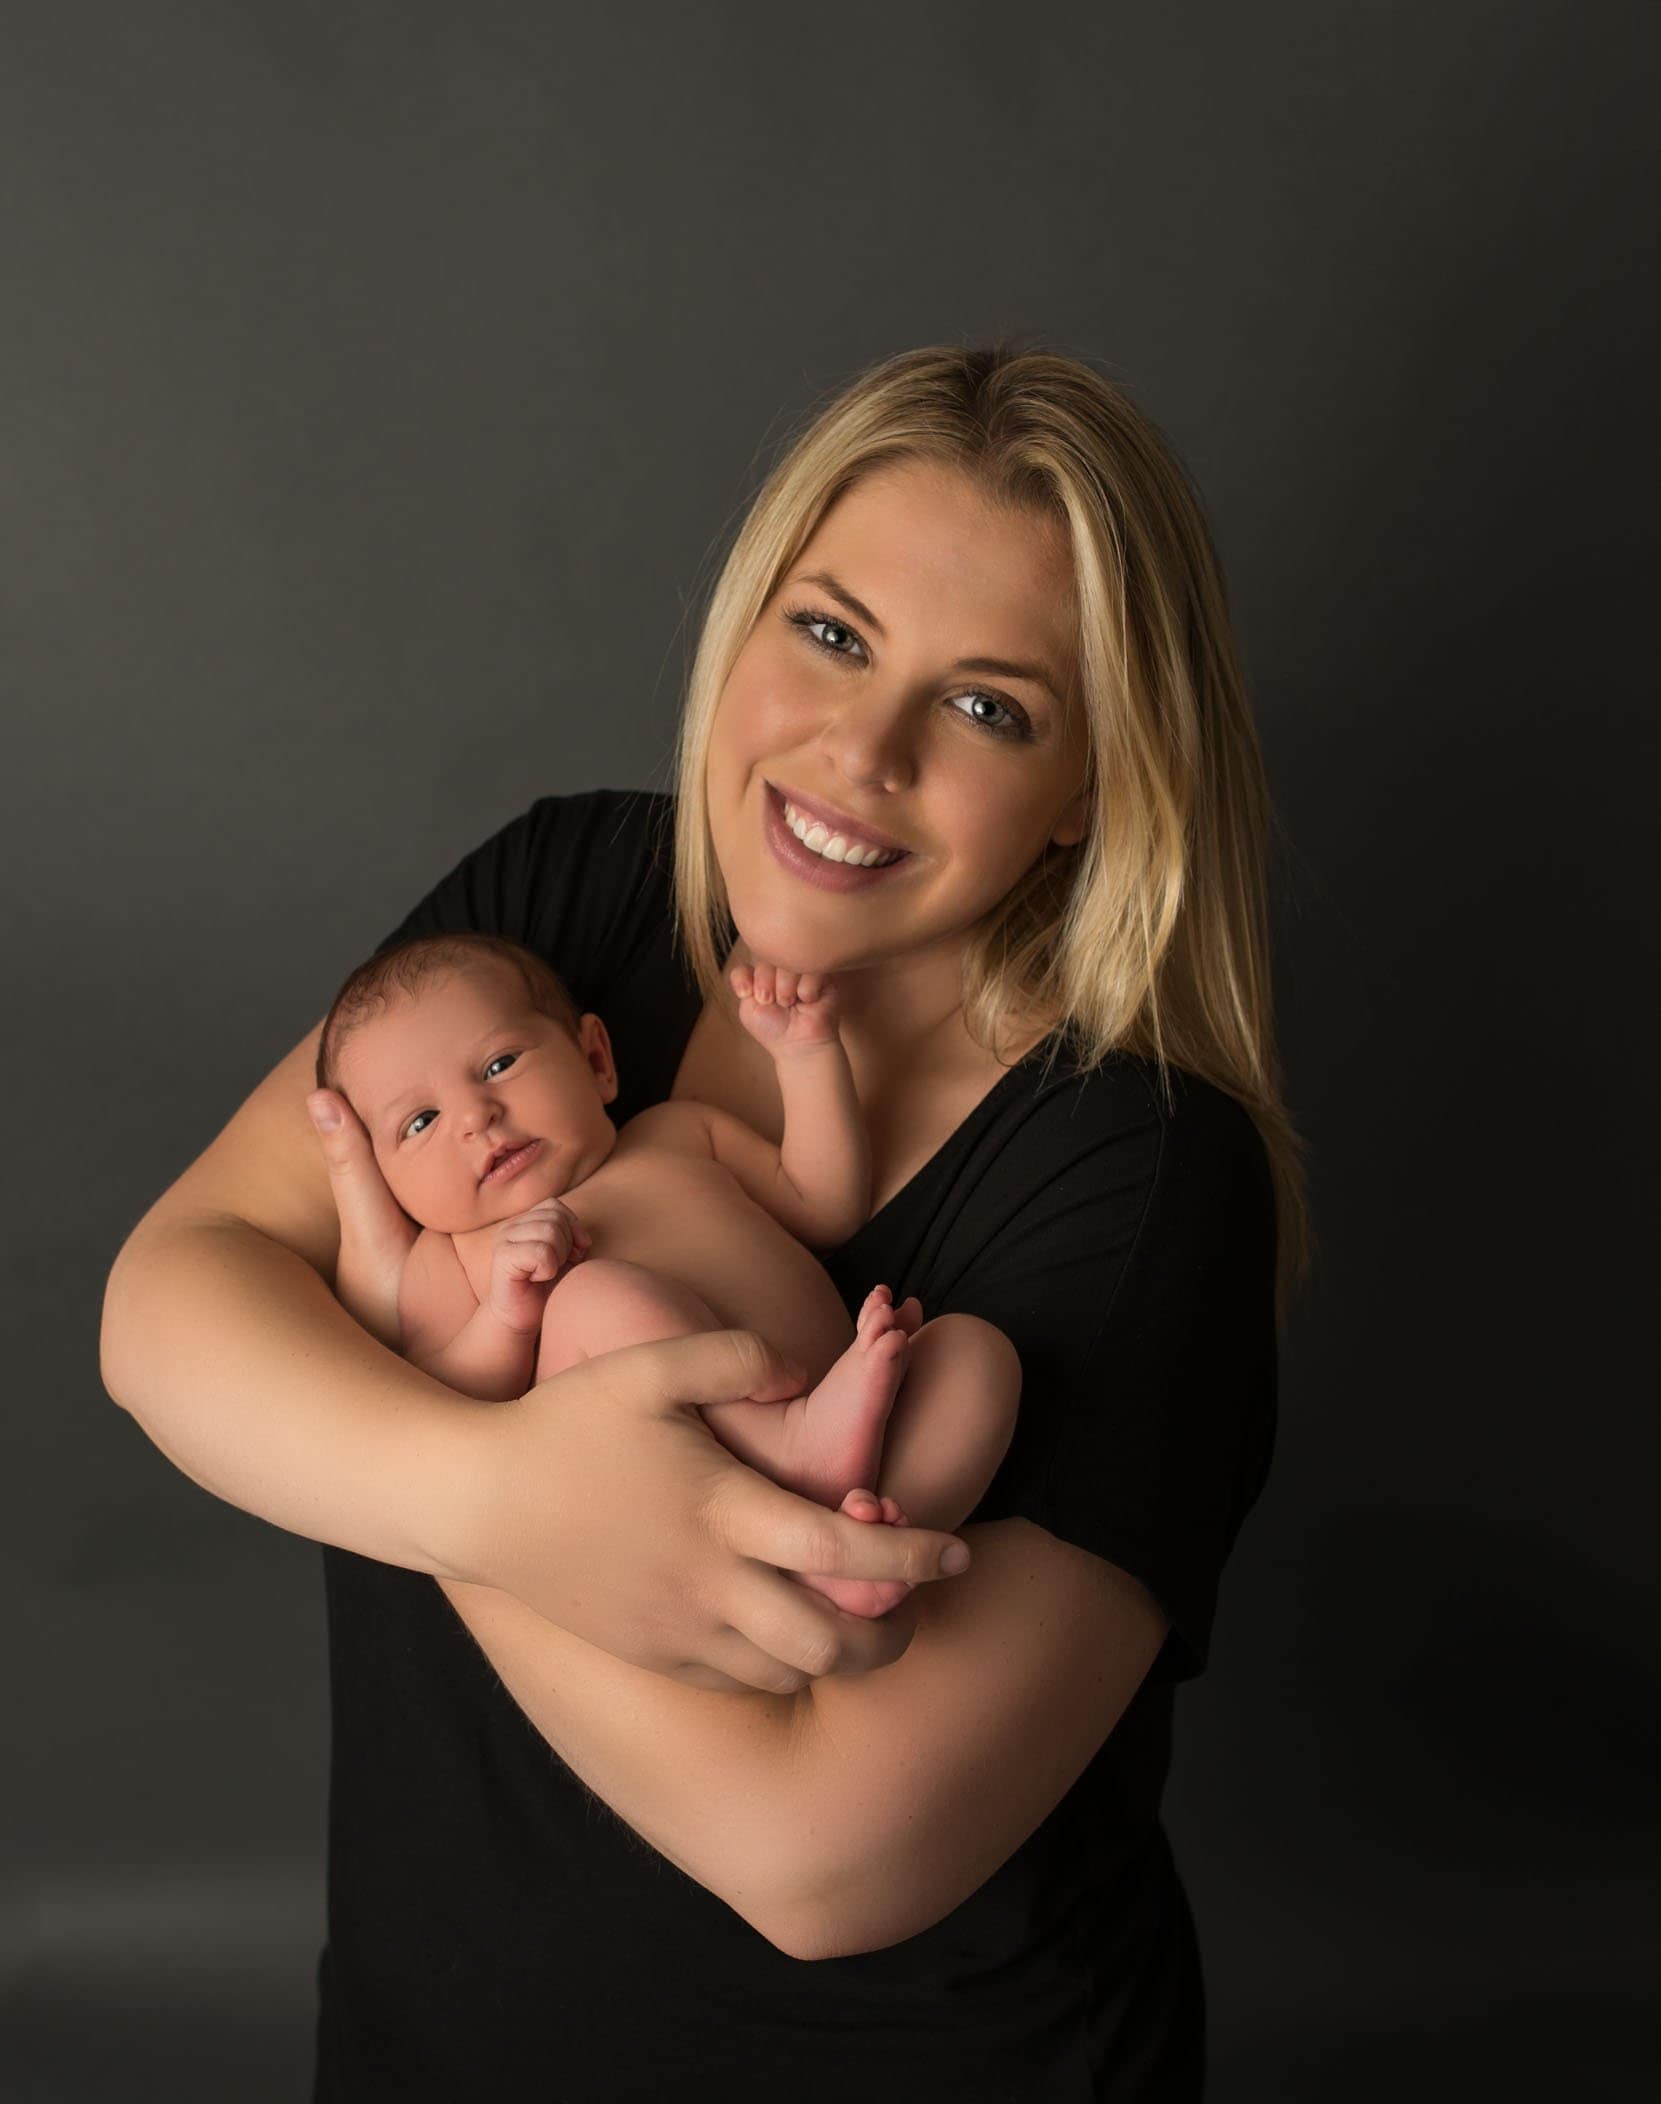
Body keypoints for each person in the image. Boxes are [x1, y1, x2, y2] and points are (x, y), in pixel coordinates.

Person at [99, 339, 1309, 2101]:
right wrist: (506, 1486)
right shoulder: (561, 910)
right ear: (742, 626)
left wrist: (409, 1401)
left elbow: (826, 1855)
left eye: (990, 707)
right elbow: (167, 1305)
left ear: (1089, 802)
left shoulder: (1144, 1171)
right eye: (829, 632)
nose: (860, 748)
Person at [307, 927, 1025, 1620]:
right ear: (384, 1178)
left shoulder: (680, 1133)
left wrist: (807, 1056)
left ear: (595, 1060)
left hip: (853, 1425)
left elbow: (824, 1205)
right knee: (591, 1295)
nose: (475, 1116)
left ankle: (859, 1551)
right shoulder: (456, 1255)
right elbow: (449, 1400)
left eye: (498, 1066)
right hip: (679, 1491)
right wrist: (505, 1314)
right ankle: (794, 1455)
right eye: (420, 1122)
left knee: (974, 1353)